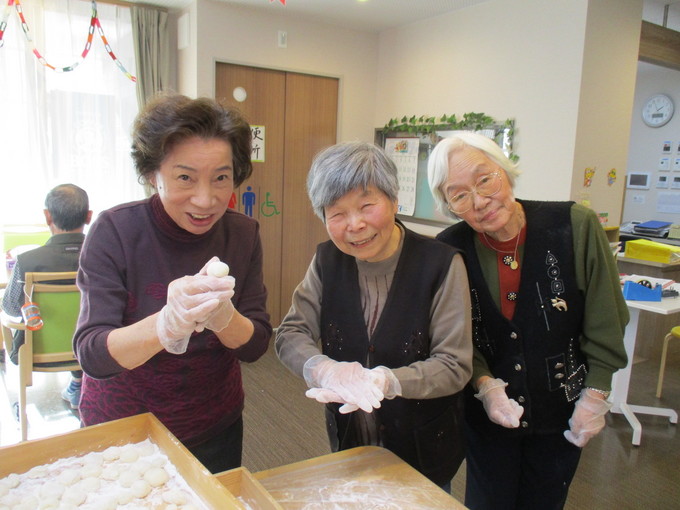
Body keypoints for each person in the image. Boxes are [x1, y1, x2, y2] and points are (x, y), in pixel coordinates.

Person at [427, 131, 629, 510]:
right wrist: (485, 385)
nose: (480, 200)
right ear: (450, 206)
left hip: (563, 408)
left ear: (505, 170)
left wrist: (596, 394)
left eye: (485, 179)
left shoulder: (575, 225)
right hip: (488, 414)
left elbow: (607, 317)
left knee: (546, 500)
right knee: (489, 500)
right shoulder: (448, 247)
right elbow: (453, 334)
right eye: (459, 195)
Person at [72, 94, 272, 474]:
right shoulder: (116, 232)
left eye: (221, 178)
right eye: (184, 177)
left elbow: (256, 344)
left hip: (214, 424)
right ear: (152, 174)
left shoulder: (242, 234)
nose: (206, 198)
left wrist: (223, 317)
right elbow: (93, 354)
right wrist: (166, 324)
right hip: (124, 428)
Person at [275, 141, 473, 489]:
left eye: (367, 205)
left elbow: (454, 365)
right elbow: (290, 332)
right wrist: (324, 369)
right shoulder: (326, 261)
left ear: (395, 200)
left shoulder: (440, 264)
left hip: (423, 448)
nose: (354, 224)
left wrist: (387, 381)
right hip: (350, 442)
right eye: (336, 214)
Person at [2, 183, 92, 410]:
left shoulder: (27, 261)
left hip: (38, 352)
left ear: (47, 216)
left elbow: (12, 309)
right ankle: (79, 383)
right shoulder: (104, 257)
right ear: (89, 217)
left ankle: (76, 384)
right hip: (93, 348)